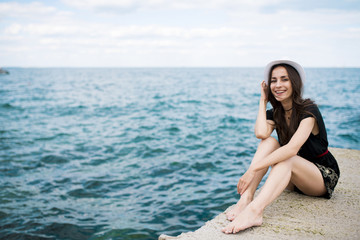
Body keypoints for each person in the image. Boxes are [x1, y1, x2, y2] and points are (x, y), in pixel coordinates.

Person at [222, 60, 340, 234]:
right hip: (292, 179)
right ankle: (246, 199)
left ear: (294, 82)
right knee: (269, 142)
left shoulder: (309, 110)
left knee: (288, 158)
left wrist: (253, 168)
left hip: (320, 177)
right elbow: (261, 133)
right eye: (274, 80)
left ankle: (255, 212)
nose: (278, 85)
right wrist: (263, 101)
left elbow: (291, 150)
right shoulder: (276, 113)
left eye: (284, 79)